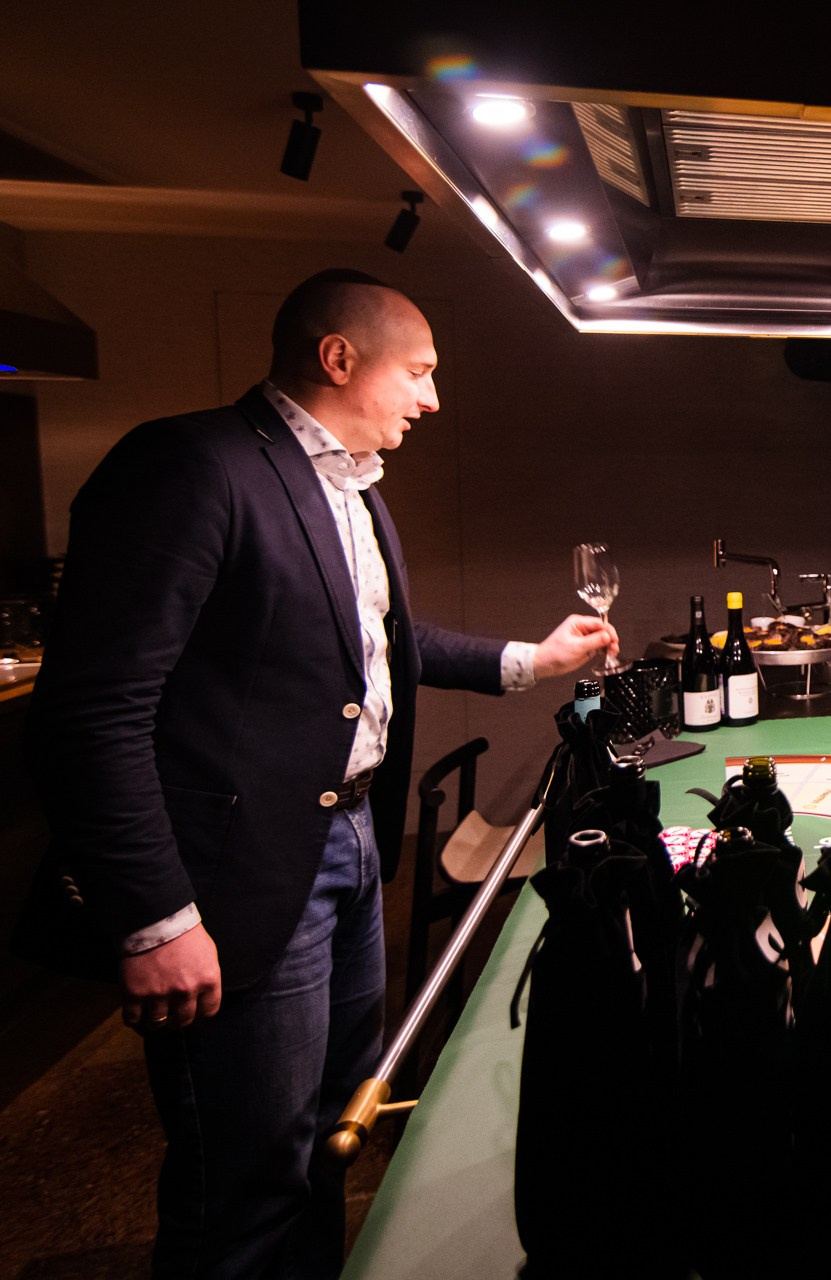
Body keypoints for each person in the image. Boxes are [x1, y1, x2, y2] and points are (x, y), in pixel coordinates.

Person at [19, 269, 616, 1278]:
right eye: (418, 371)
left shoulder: (351, 486)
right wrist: (155, 915)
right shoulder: (189, 465)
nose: (433, 398)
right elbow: (92, 709)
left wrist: (532, 659)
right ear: (339, 358)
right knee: (244, 1178)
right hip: (236, 871)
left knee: (330, 1135)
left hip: (348, 845)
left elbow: (374, 645)